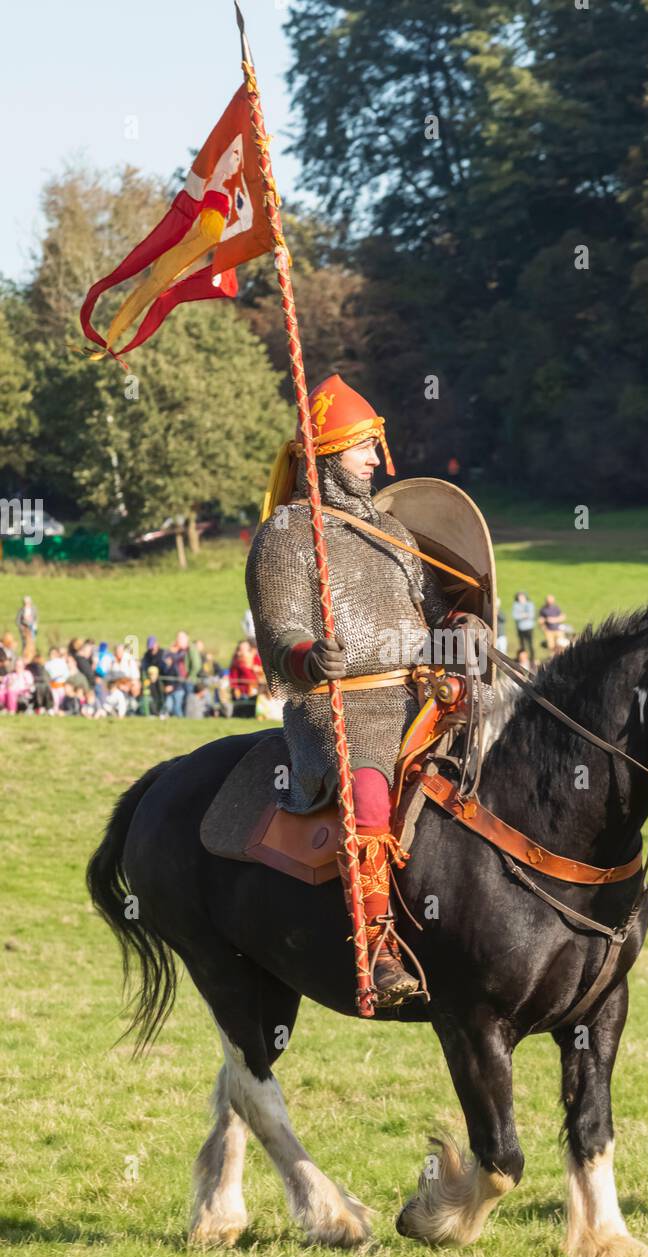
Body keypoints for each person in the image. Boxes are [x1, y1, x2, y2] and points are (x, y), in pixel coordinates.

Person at [246, 374, 479, 1006]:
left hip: (420, 696)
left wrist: (460, 626)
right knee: (370, 791)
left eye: (375, 448)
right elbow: (279, 631)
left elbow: (430, 616)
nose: (377, 461)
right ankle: (376, 947)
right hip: (342, 707)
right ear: (327, 456)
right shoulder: (288, 535)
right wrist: (307, 654)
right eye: (364, 449)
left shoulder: (394, 533)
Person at [512, 592, 536, 661]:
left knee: (530, 644)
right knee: (522, 645)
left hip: (529, 627)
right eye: (519, 597)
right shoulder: (516, 605)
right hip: (520, 628)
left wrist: (522, 615)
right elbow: (515, 616)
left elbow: (531, 615)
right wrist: (525, 615)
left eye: (522, 597)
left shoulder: (529, 604)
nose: (521, 599)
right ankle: (522, 659)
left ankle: (532, 659)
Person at [15, 595, 38, 663]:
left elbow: (36, 618)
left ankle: (32, 656)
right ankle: (25, 658)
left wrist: (34, 624)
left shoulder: (33, 609)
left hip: (32, 628)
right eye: (25, 602)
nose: (26, 604)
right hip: (24, 628)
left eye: (28, 602)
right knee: (24, 643)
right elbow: (17, 620)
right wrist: (21, 626)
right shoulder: (21, 610)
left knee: (32, 642)